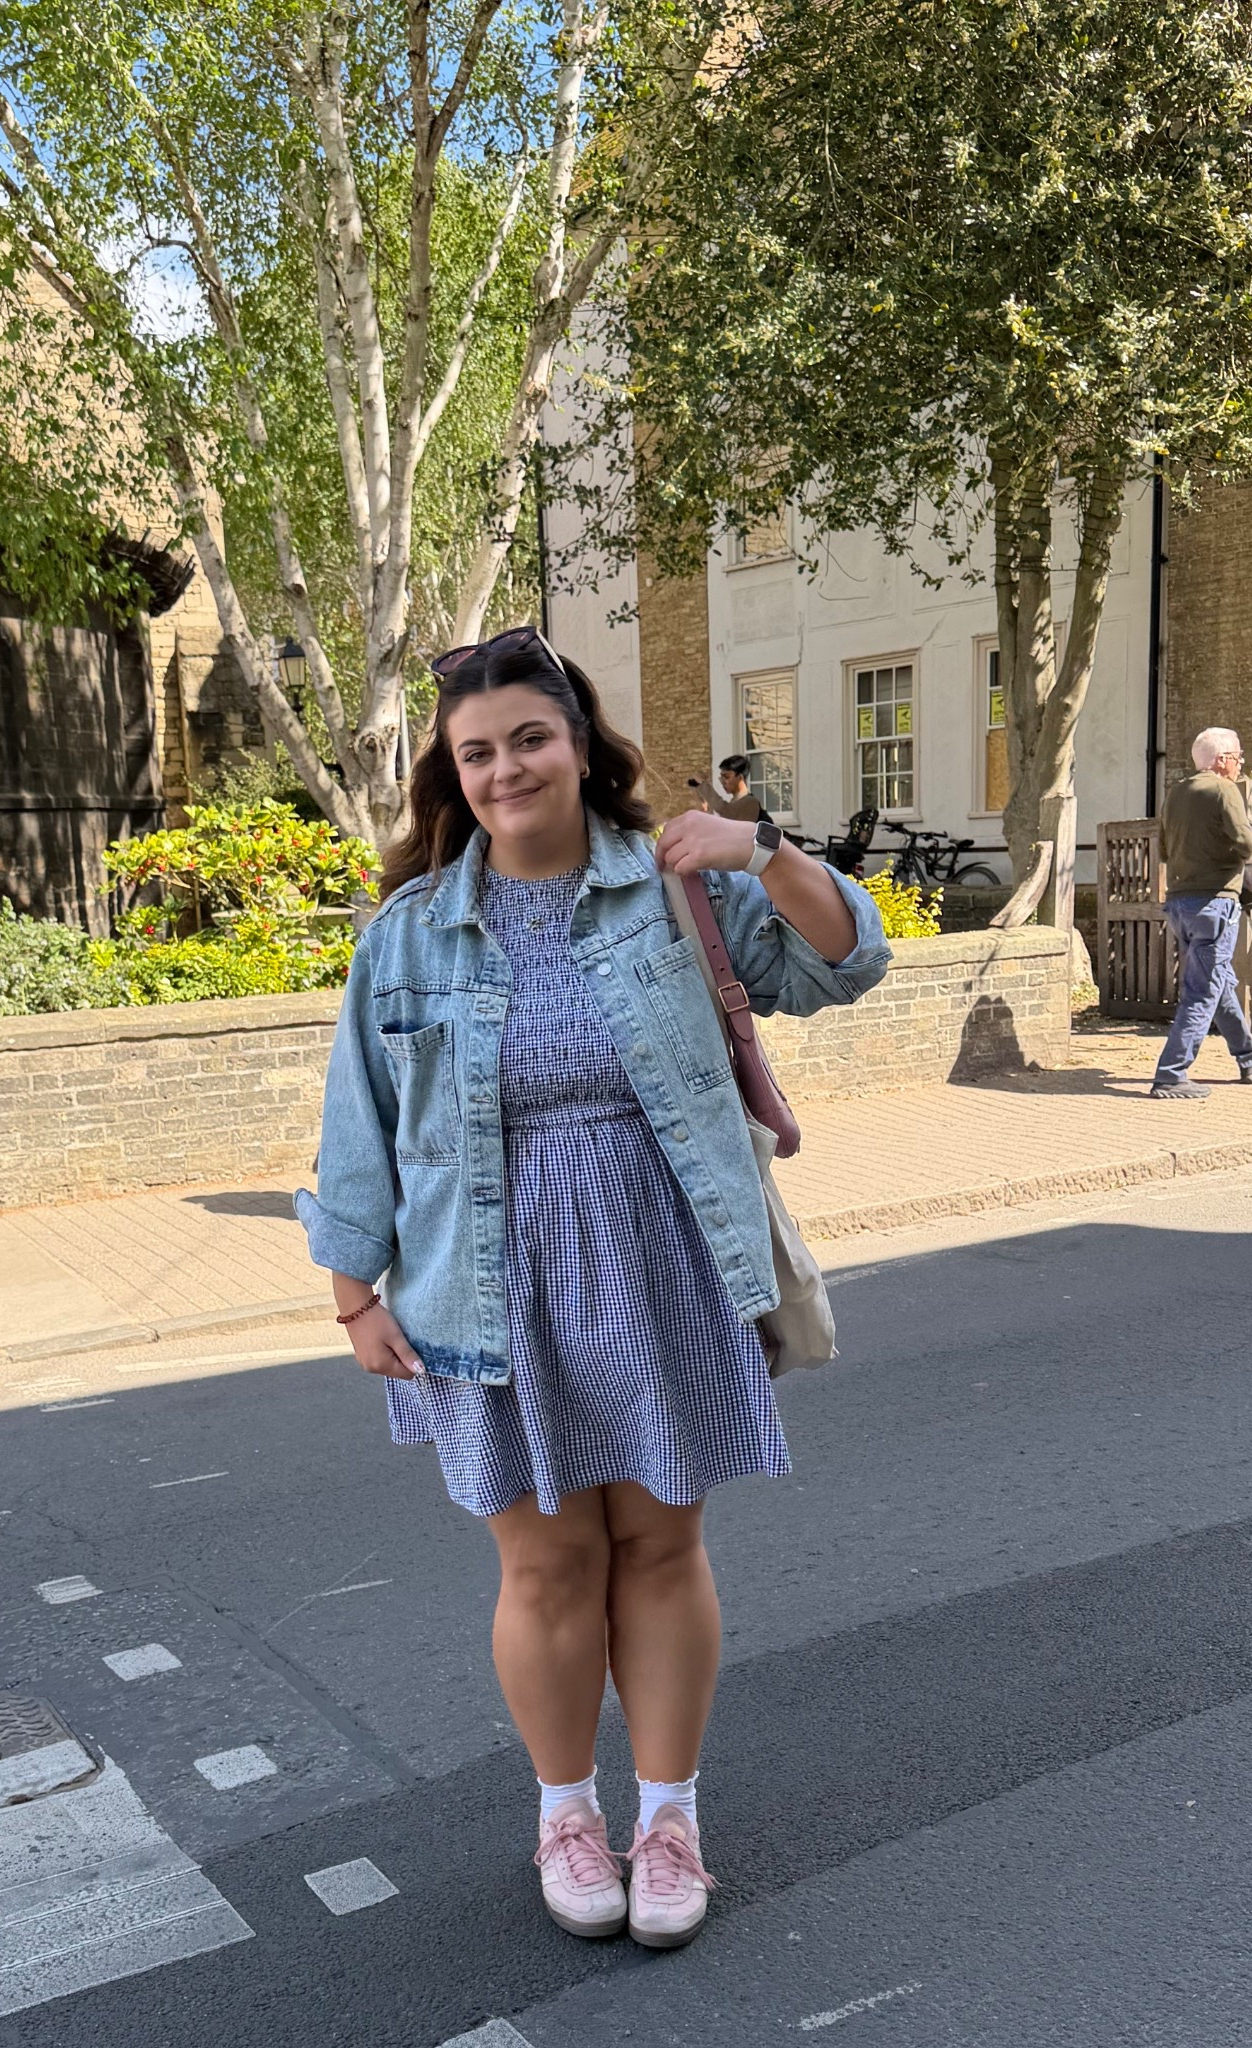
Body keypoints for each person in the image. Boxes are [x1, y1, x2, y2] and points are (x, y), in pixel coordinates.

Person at [298, 625, 889, 1948]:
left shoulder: (675, 889)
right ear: (452, 778)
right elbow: (362, 1121)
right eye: (478, 752)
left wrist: (769, 851)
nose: (508, 768)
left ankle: (668, 1818)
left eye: (531, 738)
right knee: (549, 1564)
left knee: (663, 1544)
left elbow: (850, 962)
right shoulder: (408, 937)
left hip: (663, 1264)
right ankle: (569, 1812)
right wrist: (353, 1293)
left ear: (578, 744)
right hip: (485, 1286)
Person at [1151, 726, 1252, 1101]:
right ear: (1222, 760)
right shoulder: (1224, 789)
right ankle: (1171, 1074)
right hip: (1214, 903)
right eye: (1238, 757)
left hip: (1179, 903)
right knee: (1202, 990)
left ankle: (1249, 1058)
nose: (1240, 764)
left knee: (1219, 980)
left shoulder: (1175, 794)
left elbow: (1163, 850)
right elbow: (1245, 843)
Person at [688, 754, 773, 824]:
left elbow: (725, 811)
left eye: (726, 777)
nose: (722, 782)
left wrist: (704, 785)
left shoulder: (751, 802)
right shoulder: (736, 802)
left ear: (740, 778)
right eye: (721, 777)